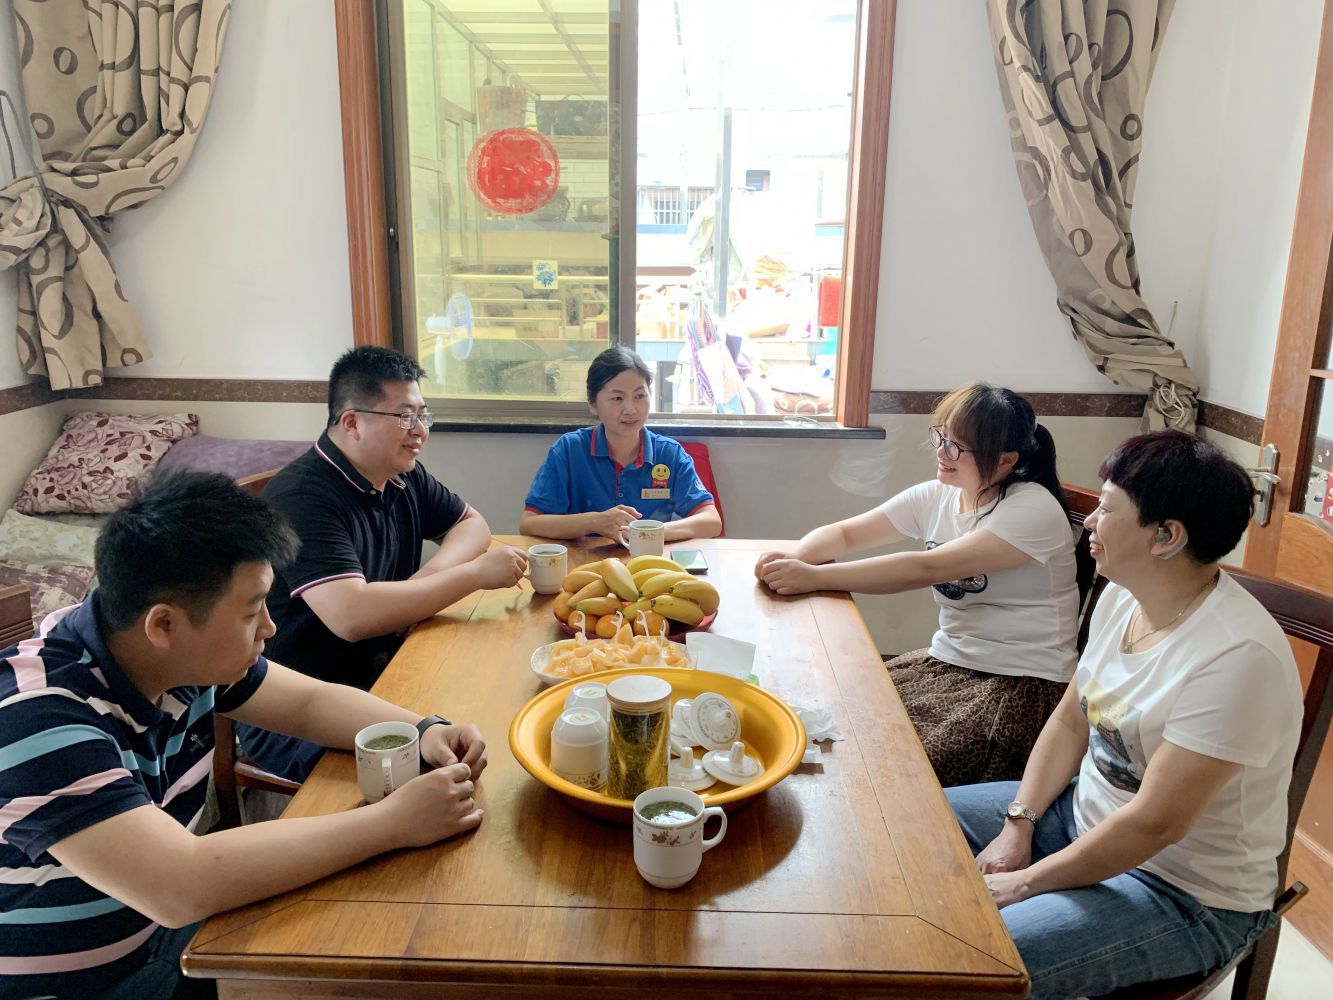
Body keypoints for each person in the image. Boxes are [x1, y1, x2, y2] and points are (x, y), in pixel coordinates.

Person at [0, 472, 488, 1000]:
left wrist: (424, 728)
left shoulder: (162, 650)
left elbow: (308, 703)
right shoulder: (39, 719)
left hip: (166, 937)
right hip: (79, 984)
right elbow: (180, 884)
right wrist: (393, 822)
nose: (269, 628)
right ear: (163, 625)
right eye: (252, 612)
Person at [947, 430, 1302, 999]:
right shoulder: (1123, 594)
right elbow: (1071, 720)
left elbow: (1156, 823)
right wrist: (1020, 823)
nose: (1090, 522)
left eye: (1108, 509)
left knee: (970, 955)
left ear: (1166, 536)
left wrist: (1025, 883)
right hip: (1079, 819)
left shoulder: (1239, 657)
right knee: (910, 826)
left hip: (1180, 893)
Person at [755, 382, 1077, 787]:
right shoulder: (938, 496)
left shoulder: (1033, 509)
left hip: (1021, 684)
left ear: (1005, 461)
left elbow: (925, 568)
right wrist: (797, 560)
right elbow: (845, 533)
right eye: (942, 437)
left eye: (957, 447)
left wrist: (814, 577)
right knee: (832, 721)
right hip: (950, 663)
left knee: (891, 769)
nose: (942, 452)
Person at [239, 346, 527, 782]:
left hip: (387, 667)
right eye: (405, 416)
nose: (420, 431)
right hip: (298, 706)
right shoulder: (301, 497)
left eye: (423, 416)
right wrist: (471, 576)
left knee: (495, 712)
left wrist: (425, 581)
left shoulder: (400, 474)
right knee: (439, 773)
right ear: (352, 422)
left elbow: (472, 525)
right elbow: (351, 616)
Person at [520, 346, 723, 544]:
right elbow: (530, 523)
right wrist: (593, 522)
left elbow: (711, 521)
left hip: (648, 559)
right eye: (617, 398)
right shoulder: (569, 450)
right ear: (592, 404)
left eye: (639, 396)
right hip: (584, 561)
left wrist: (648, 533)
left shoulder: (669, 453)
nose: (630, 409)